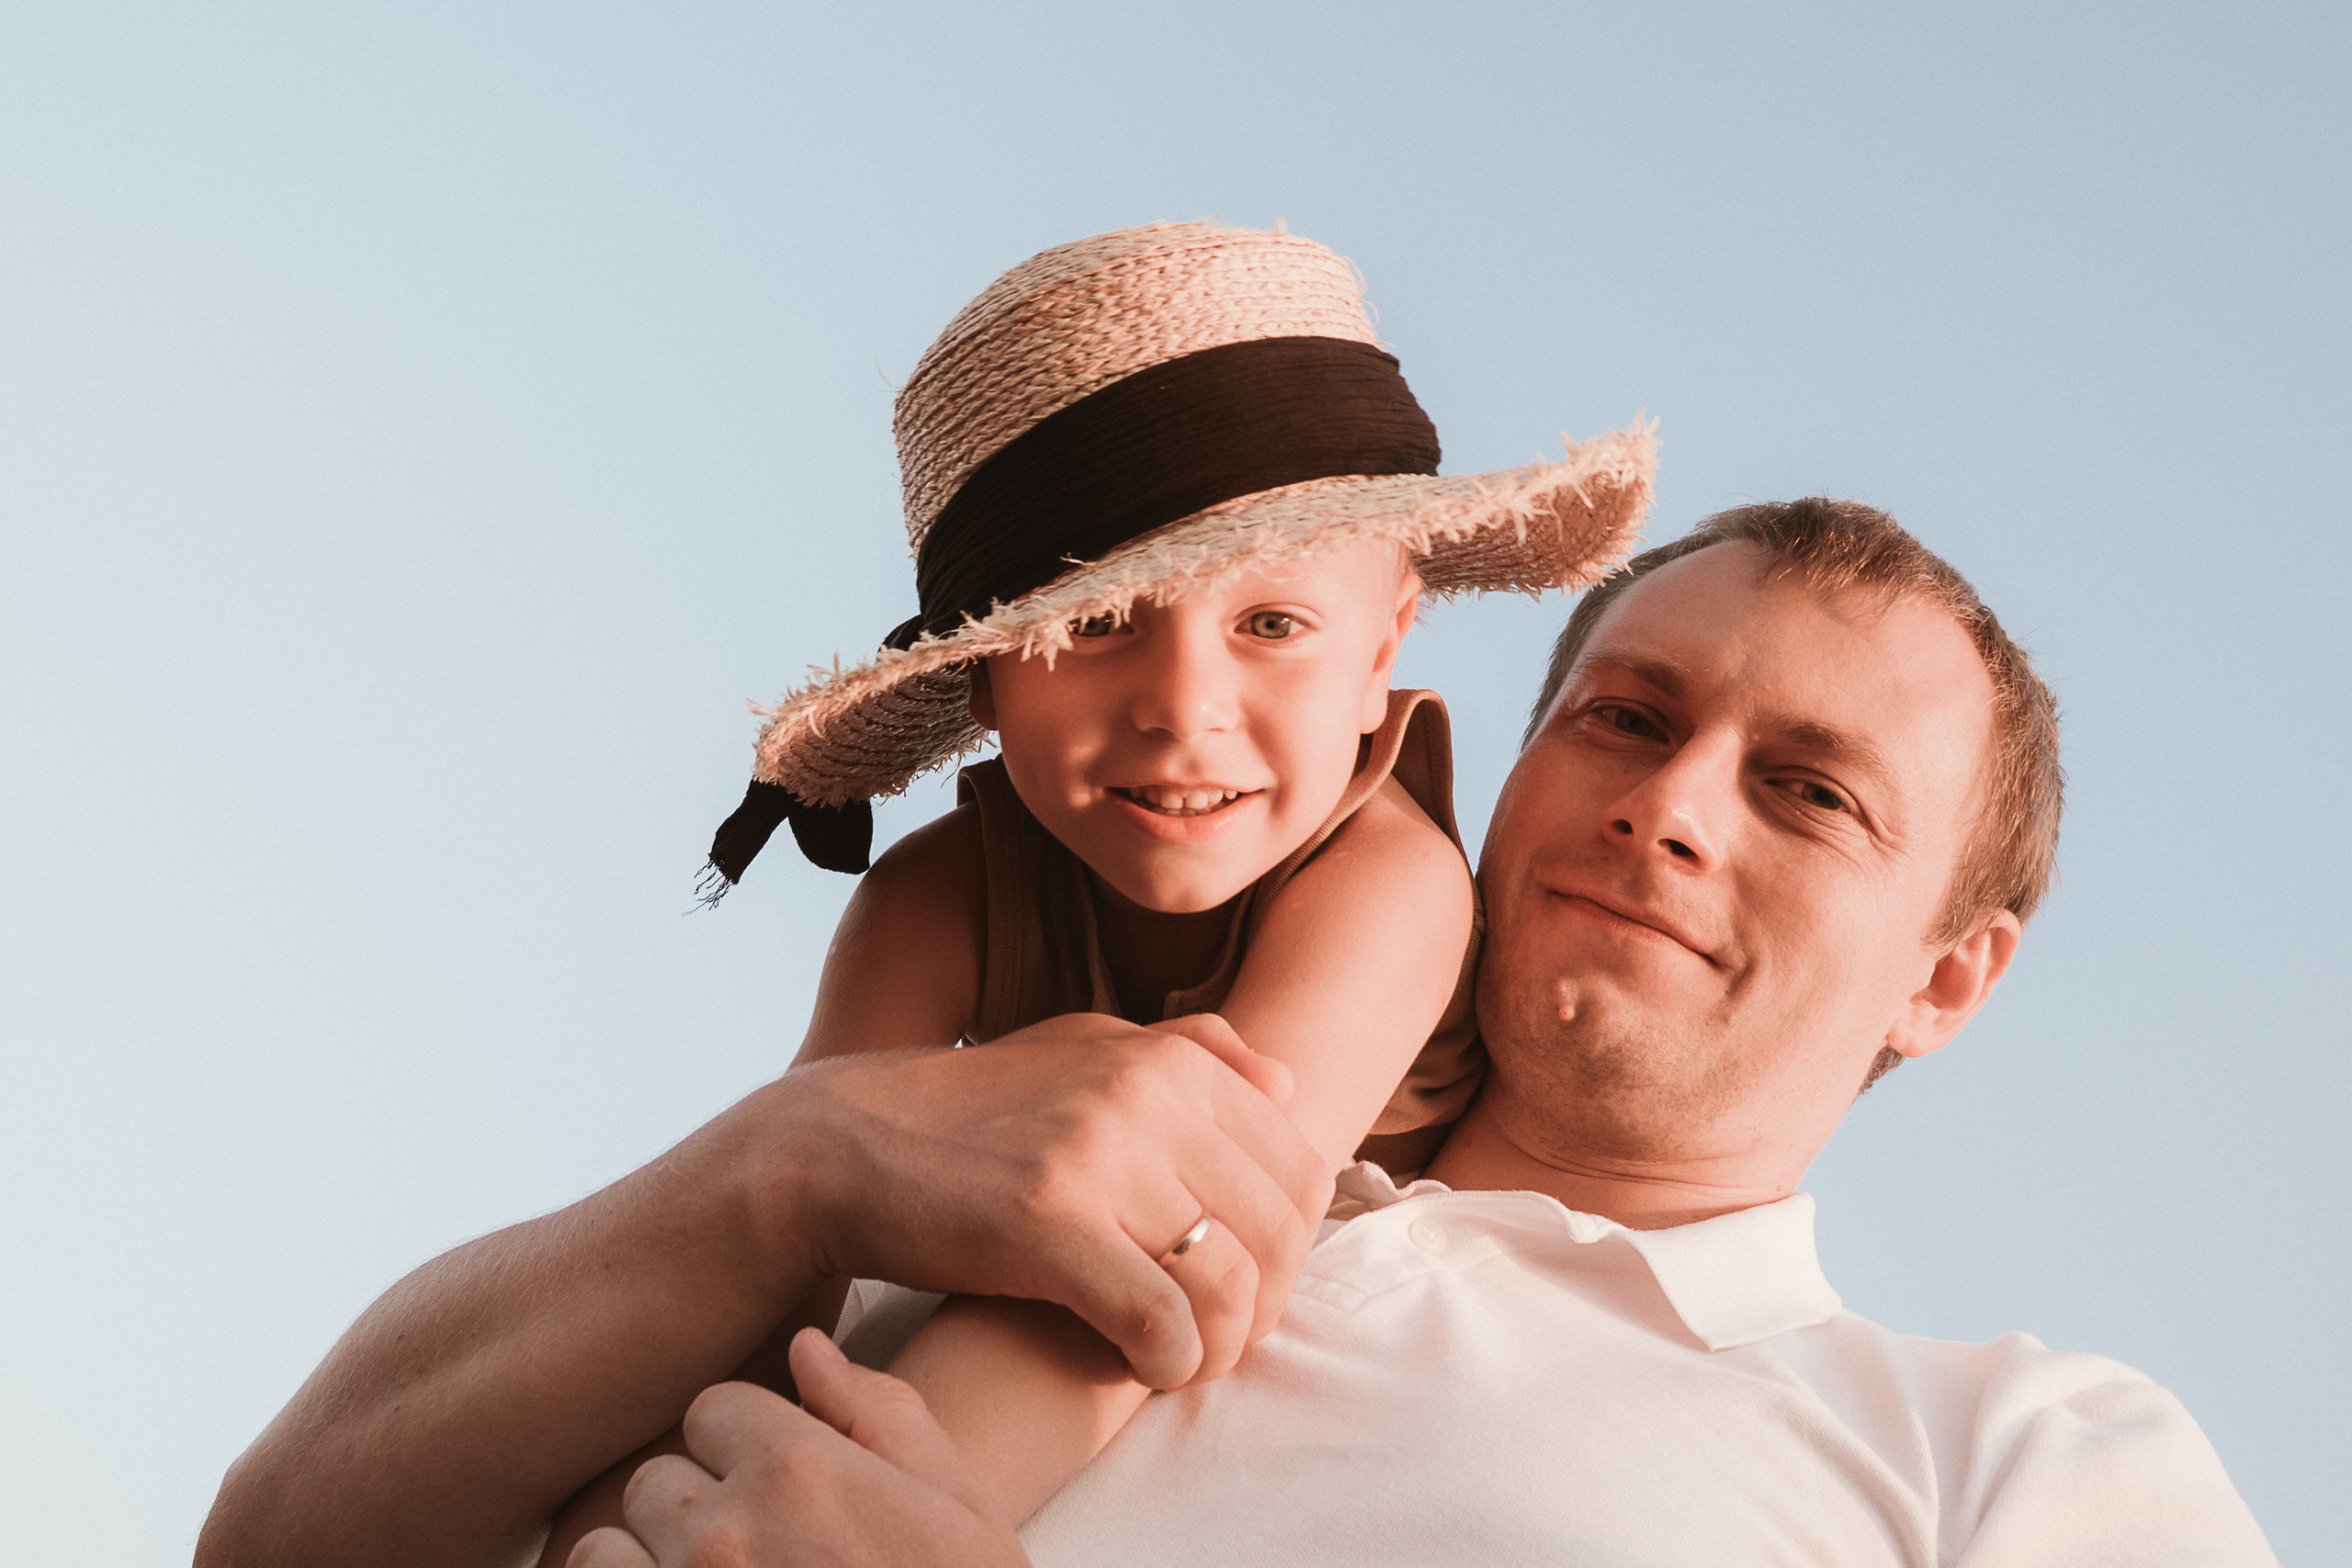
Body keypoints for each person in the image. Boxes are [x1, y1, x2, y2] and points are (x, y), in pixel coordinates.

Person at [197, 499, 2278, 1566]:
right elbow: (273, 1545)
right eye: (1625, 718)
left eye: (1809, 791)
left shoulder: (2007, 1454)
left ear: (1945, 976)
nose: (1670, 804)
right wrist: (787, 1166)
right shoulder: (1001, 1155)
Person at [534, 220, 1655, 1546]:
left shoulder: (1388, 881)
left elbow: (1172, 1253)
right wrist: (625, 1509)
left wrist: (848, 1523)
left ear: (1381, 656)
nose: (1183, 708)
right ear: (986, 677)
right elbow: (768, 1261)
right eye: (1097, 624)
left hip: (1176, 1327)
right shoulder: (932, 903)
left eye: (1272, 625)